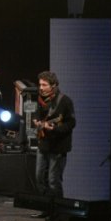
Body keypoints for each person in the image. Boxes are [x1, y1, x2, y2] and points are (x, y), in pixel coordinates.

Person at [33, 70, 75, 199]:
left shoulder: (65, 101)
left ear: (54, 85)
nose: (41, 88)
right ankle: (46, 208)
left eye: (44, 85)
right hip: (44, 144)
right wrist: (37, 122)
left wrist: (55, 128)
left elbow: (71, 123)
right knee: (39, 178)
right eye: (40, 85)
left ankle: (57, 212)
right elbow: (37, 116)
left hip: (58, 146)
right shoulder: (41, 100)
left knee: (53, 180)